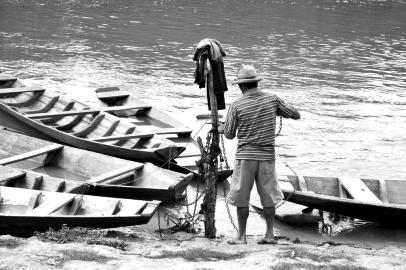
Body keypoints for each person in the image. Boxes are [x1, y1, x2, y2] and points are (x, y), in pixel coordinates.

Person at [219, 64, 300, 245]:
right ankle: (269, 235)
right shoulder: (273, 100)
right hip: (266, 157)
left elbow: (230, 135)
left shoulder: (236, 105)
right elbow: (296, 114)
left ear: (241, 86)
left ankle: (242, 237)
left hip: (245, 157)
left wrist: (221, 128)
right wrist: (279, 110)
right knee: (269, 196)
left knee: (241, 197)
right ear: (256, 82)